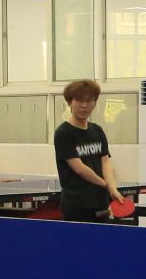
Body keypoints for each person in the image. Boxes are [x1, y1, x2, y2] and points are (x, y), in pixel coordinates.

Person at [51, 79, 125, 223]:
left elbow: (106, 162)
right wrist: (106, 185)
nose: (84, 106)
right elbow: (80, 169)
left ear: (94, 104)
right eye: (79, 100)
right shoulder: (63, 133)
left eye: (89, 101)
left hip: (100, 202)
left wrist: (112, 188)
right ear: (70, 103)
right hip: (76, 205)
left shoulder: (97, 130)